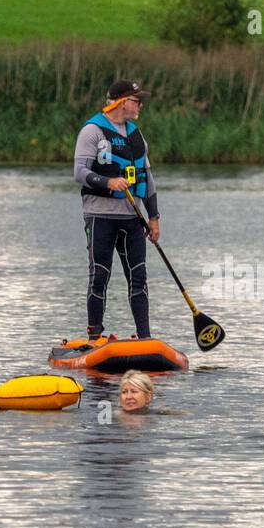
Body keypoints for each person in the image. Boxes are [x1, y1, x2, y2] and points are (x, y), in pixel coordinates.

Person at [74, 80, 160, 341]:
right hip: (100, 216)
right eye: (136, 100)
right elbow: (79, 173)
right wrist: (109, 182)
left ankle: (144, 337)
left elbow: (147, 176)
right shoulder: (92, 131)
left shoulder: (136, 135)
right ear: (122, 102)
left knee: (138, 277)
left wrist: (154, 217)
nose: (140, 105)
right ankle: (94, 336)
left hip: (133, 219)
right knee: (100, 274)